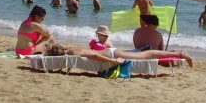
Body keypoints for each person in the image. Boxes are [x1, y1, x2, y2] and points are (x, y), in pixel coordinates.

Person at [49, 41, 193, 68]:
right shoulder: (69, 48)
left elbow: (94, 56)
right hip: (111, 53)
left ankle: (181, 54)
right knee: (145, 54)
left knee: (146, 55)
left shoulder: (73, 52)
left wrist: (113, 62)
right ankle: (174, 53)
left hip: (111, 55)